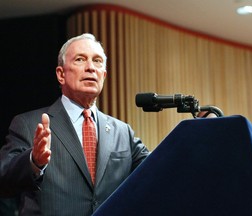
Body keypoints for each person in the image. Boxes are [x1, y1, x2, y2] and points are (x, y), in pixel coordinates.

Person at [0, 33, 150, 216]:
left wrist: (194, 132)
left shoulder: (122, 132)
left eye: (97, 61)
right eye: (80, 59)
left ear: (104, 75)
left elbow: (159, 168)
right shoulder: (29, 123)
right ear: (61, 74)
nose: (90, 68)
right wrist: (34, 162)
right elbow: (4, 179)